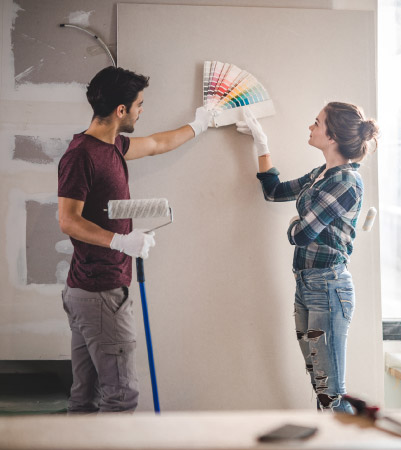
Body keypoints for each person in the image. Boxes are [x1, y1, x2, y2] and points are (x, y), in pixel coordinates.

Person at [57, 66, 212, 413]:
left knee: (85, 399)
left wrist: (201, 123)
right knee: (121, 397)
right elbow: (67, 220)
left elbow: (157, 144)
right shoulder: (81, 154)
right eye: (139, 104)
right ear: (121, 110)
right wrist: (120, 242)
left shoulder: (111, 146)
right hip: (100, 293)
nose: (143, 110)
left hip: (89, 291)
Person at [236, 102, 379, 413]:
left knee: (331, 394)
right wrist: (261, 143)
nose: (310, 127)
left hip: (328, 289)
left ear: (332, 136)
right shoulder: (321, 174)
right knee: (321, 386)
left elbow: (302, 234)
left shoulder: (346, 183)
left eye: (317, 123)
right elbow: (273, 191)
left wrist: (293, 227)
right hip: (307, 286)